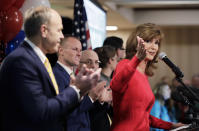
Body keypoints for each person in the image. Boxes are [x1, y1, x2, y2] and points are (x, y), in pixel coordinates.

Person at [0, 6, 101, 131]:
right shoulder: (22, 61)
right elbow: (41, 112)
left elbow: (56, 111)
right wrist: (76, 89)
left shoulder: (37, 61)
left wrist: (80, 93)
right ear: (44, 30)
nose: (61, 36)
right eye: (59, 30)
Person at [110, 23, 185, 131]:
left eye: (156, 43)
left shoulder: (144, 75)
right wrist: (137, 58)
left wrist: (171, 125)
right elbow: (115, 85)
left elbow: (143, 117)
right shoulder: (124, 64)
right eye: (148, 41)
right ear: (137, 43)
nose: (153, 47)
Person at [53, 35, 105, 131]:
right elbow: (65, 112)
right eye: (75, 49)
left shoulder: (72, 76)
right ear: (61, 51)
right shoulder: (56, 75)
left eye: (80, 50)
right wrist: (91, 97)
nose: (79, 54)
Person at [78, 50, 112, 131]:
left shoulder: (98, 85)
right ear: (78, 64)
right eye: (88, 61)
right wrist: (96, 99)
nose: (93, 65)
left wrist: (104, 102)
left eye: (96, 62)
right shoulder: (76, 87)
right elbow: (82, 118)